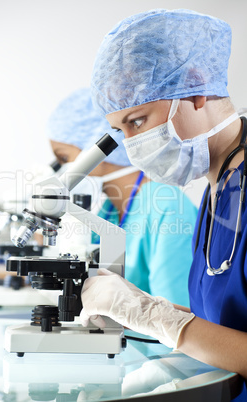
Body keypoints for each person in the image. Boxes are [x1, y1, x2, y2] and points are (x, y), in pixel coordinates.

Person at [79, 9, 247, 401]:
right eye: (121, 131)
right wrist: (139, 308)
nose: (132, 147)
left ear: (194, 88)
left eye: (137, 121)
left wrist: (154, 317)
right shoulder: (219, 188)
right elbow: (218, 326)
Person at [48, 87, 198, 306]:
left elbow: (179, 318)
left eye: (63, 158)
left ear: (98, 148)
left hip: (154, 341)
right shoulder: (108, 209)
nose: (62, 170)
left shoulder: (167, 206)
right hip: (120, 339)